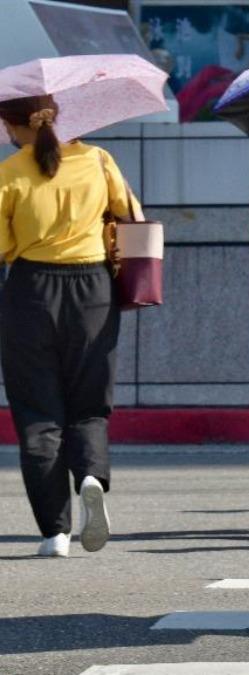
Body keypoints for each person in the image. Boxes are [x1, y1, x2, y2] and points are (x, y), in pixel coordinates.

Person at [0, 95, 136, 558]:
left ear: (13, 126)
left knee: (38, 412)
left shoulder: (10, 172)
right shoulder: (97, 159)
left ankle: (54, 533)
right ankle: (93, 477)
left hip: (31, 290)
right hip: (94, 288)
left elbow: (4, 244)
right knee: (89, 405)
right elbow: (130, 214)